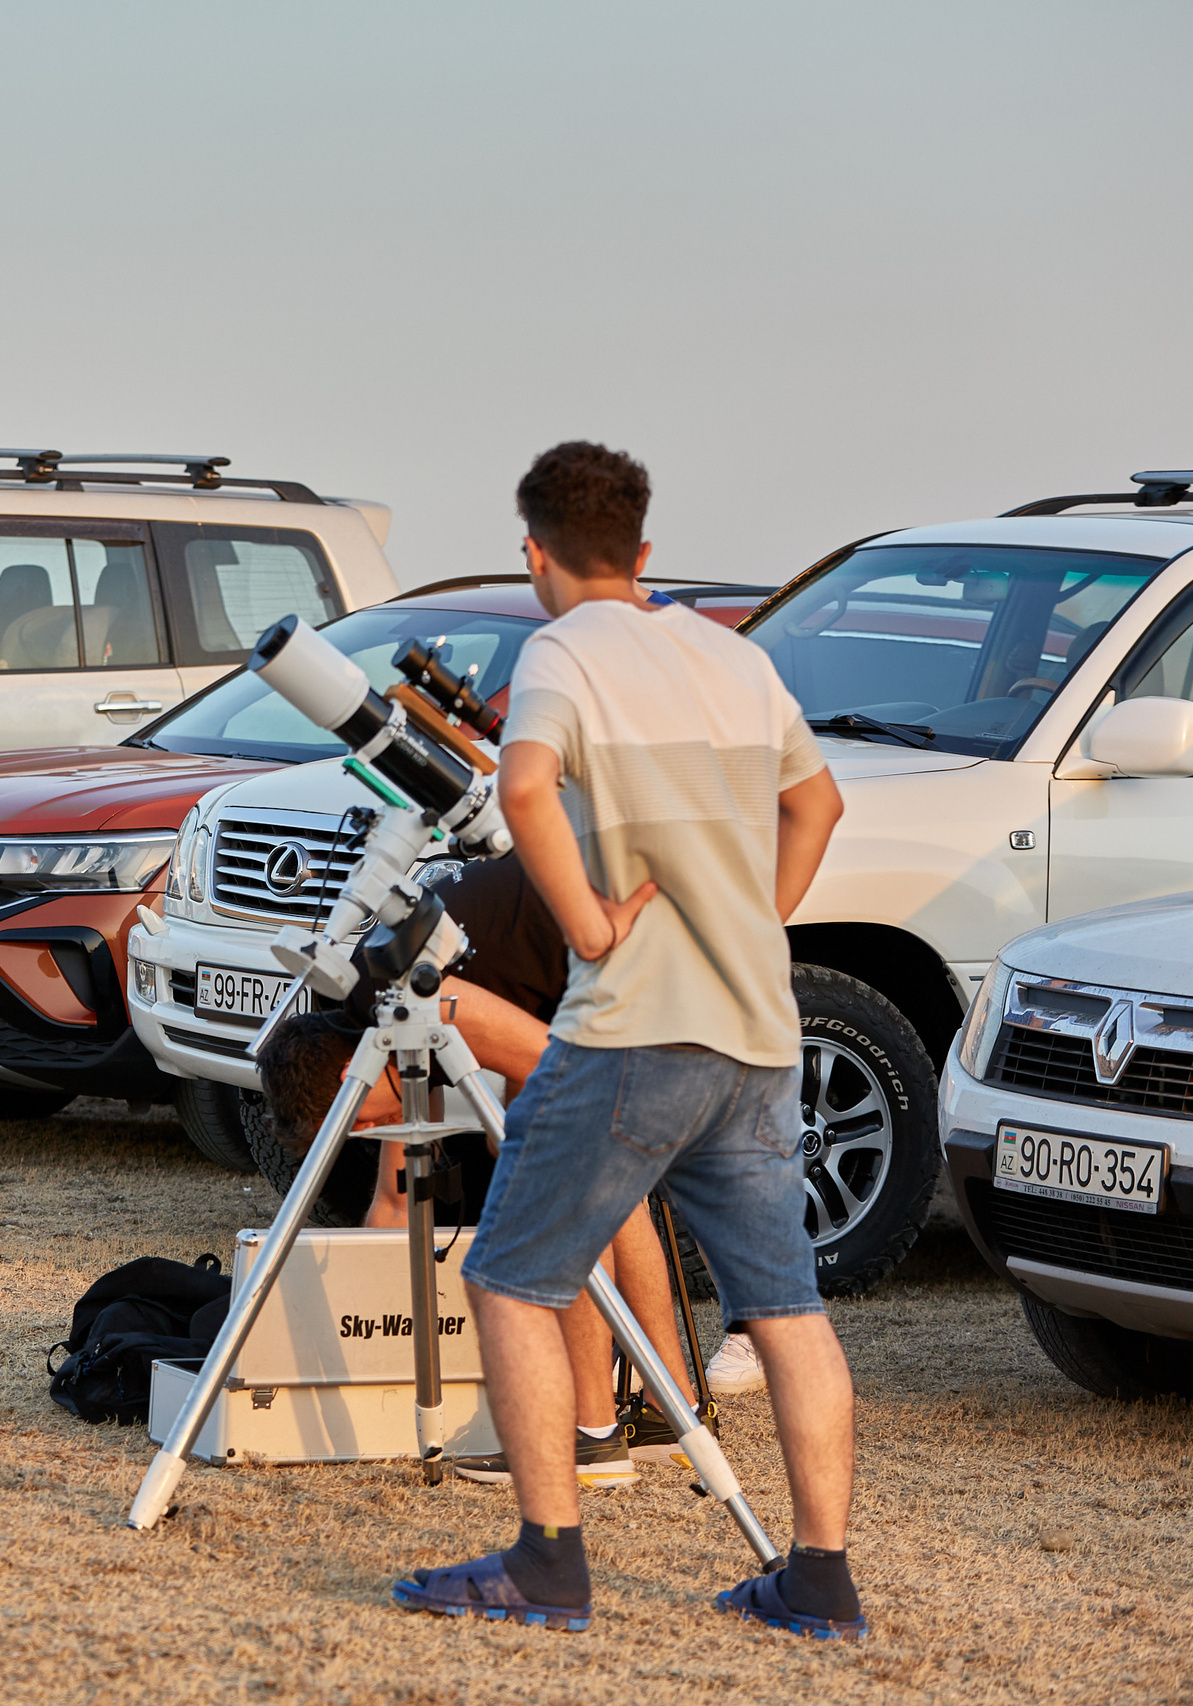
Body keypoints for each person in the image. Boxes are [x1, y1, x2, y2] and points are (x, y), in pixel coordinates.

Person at [390, 442, 856, 1638]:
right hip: (754, 1028)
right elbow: (819, 803)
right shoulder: (735, 655)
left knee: (507, 1273)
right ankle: (820, 1580)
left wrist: (591, 920)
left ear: (534, 554)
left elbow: (528, 785)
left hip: (635, 1029)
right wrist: (755, 914)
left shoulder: (559, 649)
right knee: (786, 1307)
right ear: (644, 552)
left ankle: (548, 1562)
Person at [255, 853, 702, 1490]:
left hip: (637, 933)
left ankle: (592, 1436)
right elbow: (394, 1197)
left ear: (348, 1077)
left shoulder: (406, 1000)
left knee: (561, 1169)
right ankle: (668, 1410)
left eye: (353, 1121)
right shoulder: (381, 1008)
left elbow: (561, 1067)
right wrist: (364, 1326)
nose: (367, 1130)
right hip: (607, 949)